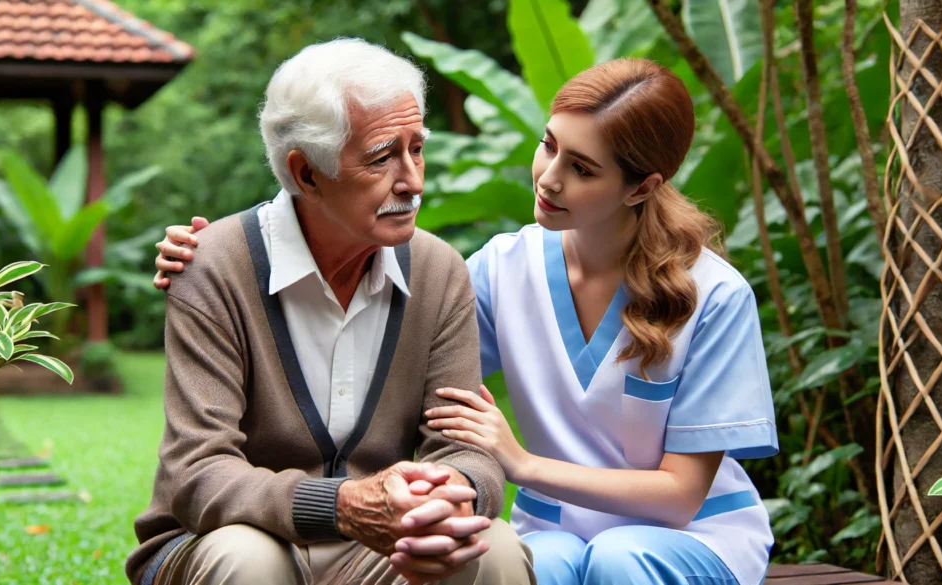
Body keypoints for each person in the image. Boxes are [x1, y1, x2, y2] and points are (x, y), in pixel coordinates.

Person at [154, 58, 778, 585]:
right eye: (549, 146)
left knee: (604, 558)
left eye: (582, 169)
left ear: (641, 188)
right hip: (557, 527)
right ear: (305, 172)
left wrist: (511, 466)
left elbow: (678, 493)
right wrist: (214, 257)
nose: (549, 178)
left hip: (686, 531)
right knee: (541, 561)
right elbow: (420, 374)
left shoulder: (714, 295)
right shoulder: (497, 270)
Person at [129, 38, 535, 585]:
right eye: (382, 157)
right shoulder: (213, 267)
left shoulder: (439, 271)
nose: (413, 180)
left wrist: (449, 499)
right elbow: (196, 470)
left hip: (378, 548)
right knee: (251, 561)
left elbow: (463, 446)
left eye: (417, 148)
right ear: (306, 174)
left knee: (494, 547)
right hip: (229, 538)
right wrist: (341, 505)